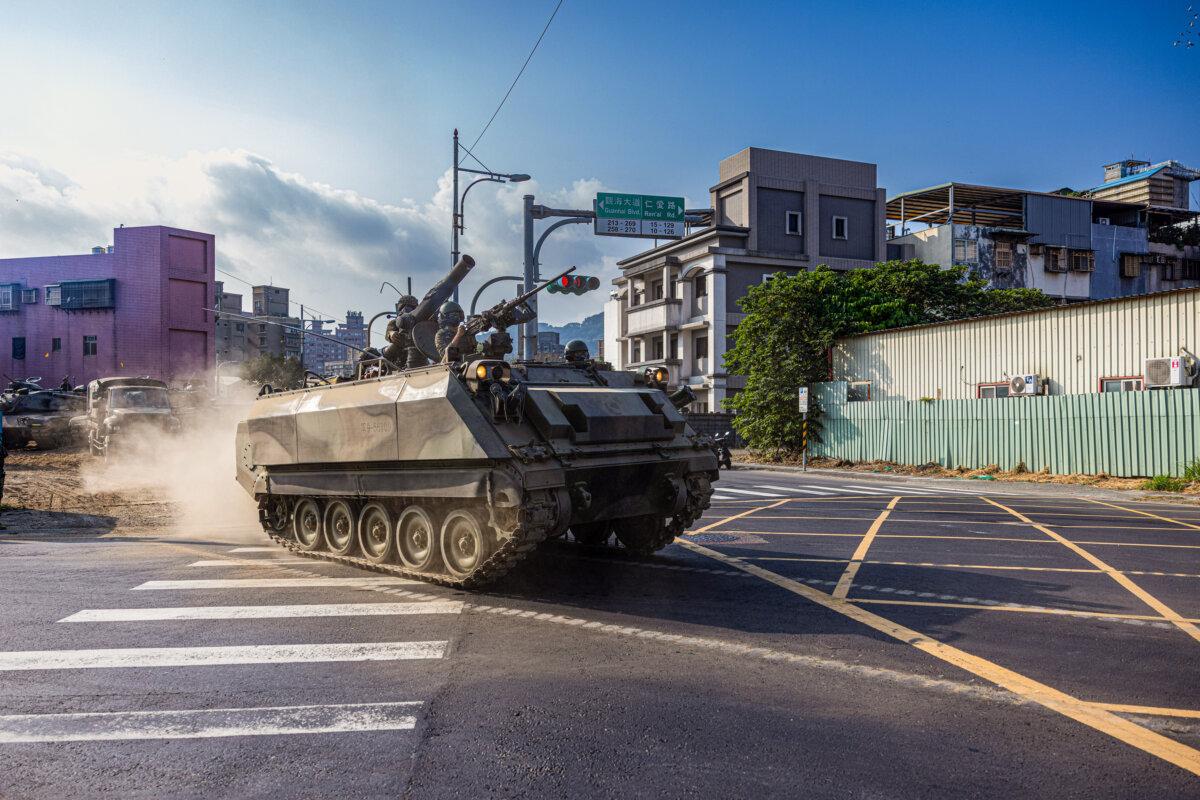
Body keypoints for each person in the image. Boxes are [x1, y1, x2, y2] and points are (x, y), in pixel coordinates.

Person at [382, 295, 427, 369]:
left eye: (411, 307)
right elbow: (388, 333)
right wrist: (391, 334)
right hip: (399, 358)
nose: (406, 309)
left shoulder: (421, 322)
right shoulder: (395, 322)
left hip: (418, 357)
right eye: (403, 307)